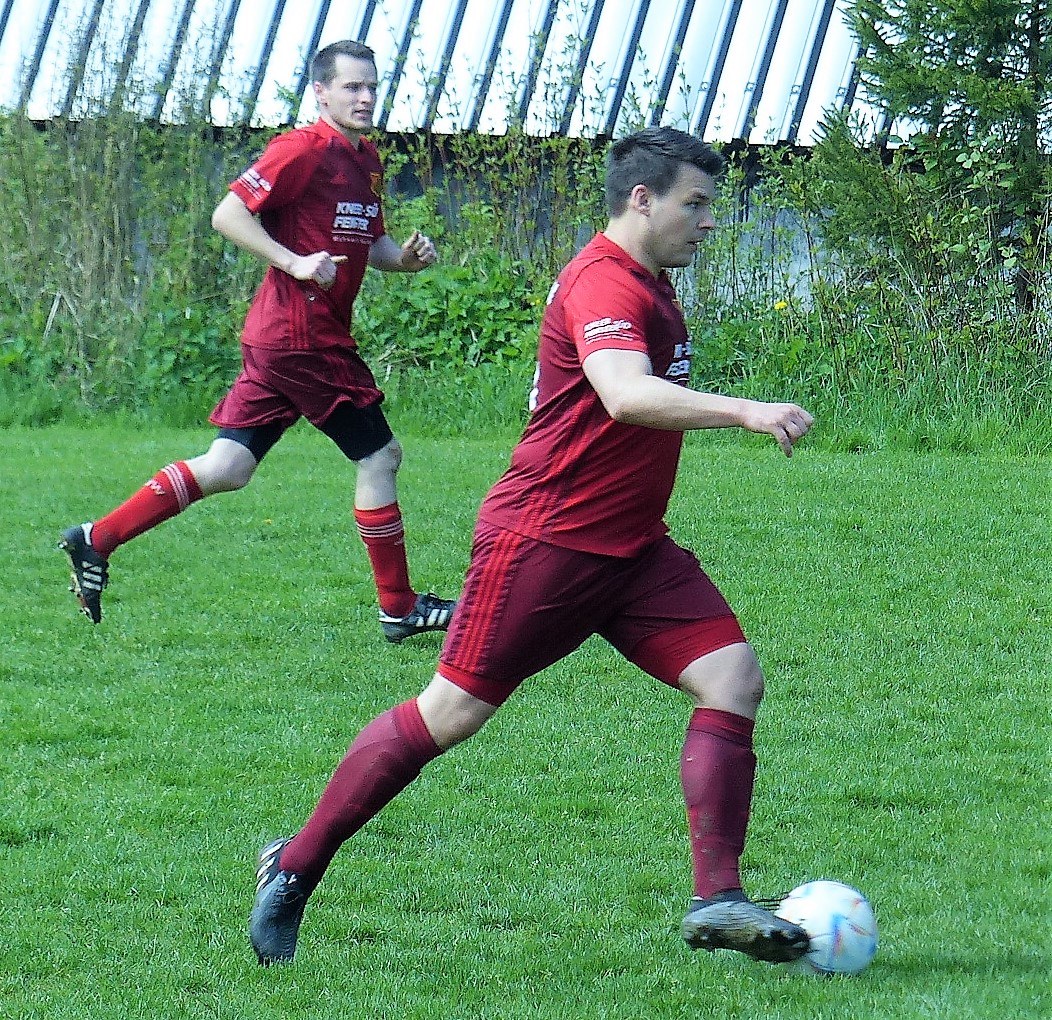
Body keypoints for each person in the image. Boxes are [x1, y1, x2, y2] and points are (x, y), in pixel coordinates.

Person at [247, 126, 816, 966]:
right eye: (695, 204)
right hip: (546, 541)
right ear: (642, 200)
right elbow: (624, 394)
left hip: (632, 548)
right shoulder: (603, 280)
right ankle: (293, 866)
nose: (708, 221)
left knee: (732, 677)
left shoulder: (650, 281)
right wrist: (745, 410)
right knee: (448, 715)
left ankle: (718, 900)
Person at [59, 40, 455, 643]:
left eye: (372, 86)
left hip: (280, 339)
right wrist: (294, 262)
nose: (365, 97)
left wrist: (404, 259)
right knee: (380, 457)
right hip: (304, 337)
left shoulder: (365, 159)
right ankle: (399, 608)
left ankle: (97, 538)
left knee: (229, 467)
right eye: (352, 87)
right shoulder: (301, 149)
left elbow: (369, 243)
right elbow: (228, 215)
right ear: (320, 92)